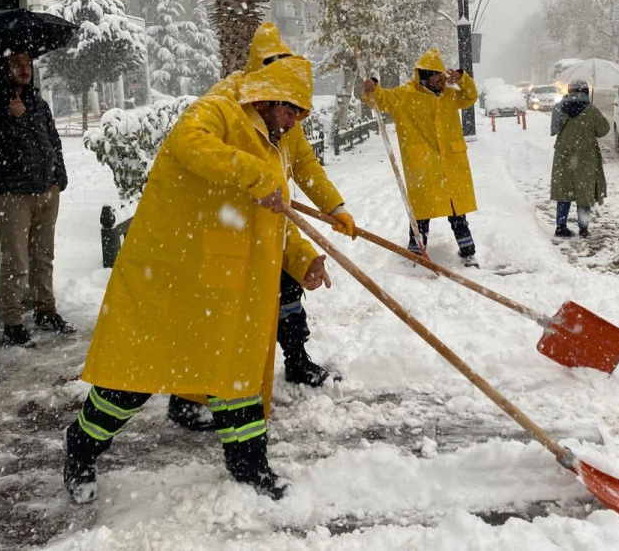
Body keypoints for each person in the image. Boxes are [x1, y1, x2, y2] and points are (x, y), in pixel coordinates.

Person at [63, 53, 330, 504]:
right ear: (267, 95)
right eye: (290, 109)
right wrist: (254, 174)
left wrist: (304, 258)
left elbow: (273, 217)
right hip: (168, 274)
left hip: (217, 276)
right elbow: (188, 142)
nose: (295, 119)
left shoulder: (274, 137)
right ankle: (81, 448)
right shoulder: (219, 109)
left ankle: (249, 466)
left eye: (302, 112)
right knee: (131, 381)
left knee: (232, 373)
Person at [165, 24, 354, 432]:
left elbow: (303, 165)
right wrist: (253, 177)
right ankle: (186, 396)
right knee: (215, 318)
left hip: (269, 224)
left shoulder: (285, 112)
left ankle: (296, 361)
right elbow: (191, 144)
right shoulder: (229, 104)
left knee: (288, 289)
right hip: (221, 230)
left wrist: (333, 206)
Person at [0, 52, 73, 347]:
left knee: (43, 256)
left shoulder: (38, 102)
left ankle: (46, 311)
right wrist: (8, 117)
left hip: (45, 191)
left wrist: (58, 178)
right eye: (18, 64)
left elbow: (52, 140)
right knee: (14, 260)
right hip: (11, 194)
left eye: (28, 64)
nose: (25, 70)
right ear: (6, 68)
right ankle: (13, 322)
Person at [363, 49, 480, 267]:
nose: (442, 79)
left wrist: (462, 79)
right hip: (423, 166)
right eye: (437, 75)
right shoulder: (405, 95)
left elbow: (471, 96)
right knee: (421, 212)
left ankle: (468, 251)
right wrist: (373, 87)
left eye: (442, 75)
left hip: (450, 164)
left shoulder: (450, 95)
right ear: (425, 76)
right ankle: (415, 254)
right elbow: (381, 99)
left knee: (457, 210)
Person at [550, 81, 609, 238]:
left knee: (564, 192)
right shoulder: (591, 111)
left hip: (563, 156)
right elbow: (603, 130)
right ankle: (583, 228)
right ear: (586, 92)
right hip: (586, 158)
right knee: (585, 194)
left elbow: (554, 129)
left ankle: (561, 226)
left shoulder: (559, 108)